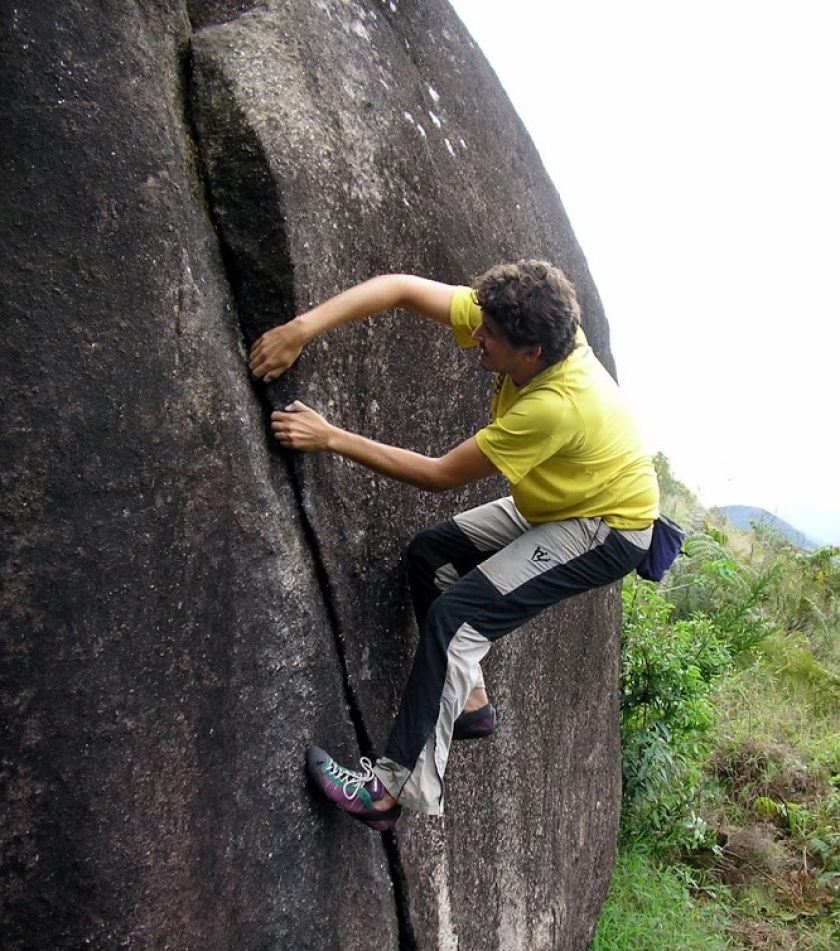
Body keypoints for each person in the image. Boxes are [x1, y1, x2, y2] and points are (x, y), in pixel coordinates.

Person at [249, 261, 659, 831]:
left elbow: (440, 474)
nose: (476, 338)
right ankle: (469, 705)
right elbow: (399, 288)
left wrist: (330, 437)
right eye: (481, 324)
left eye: (489, 337)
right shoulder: (527, 325)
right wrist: (300, 330)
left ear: (531, 353)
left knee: (457, 619)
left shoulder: (556, 404)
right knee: (432, 557)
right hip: (562, 498)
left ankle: (390, 792)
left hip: (605, 526)